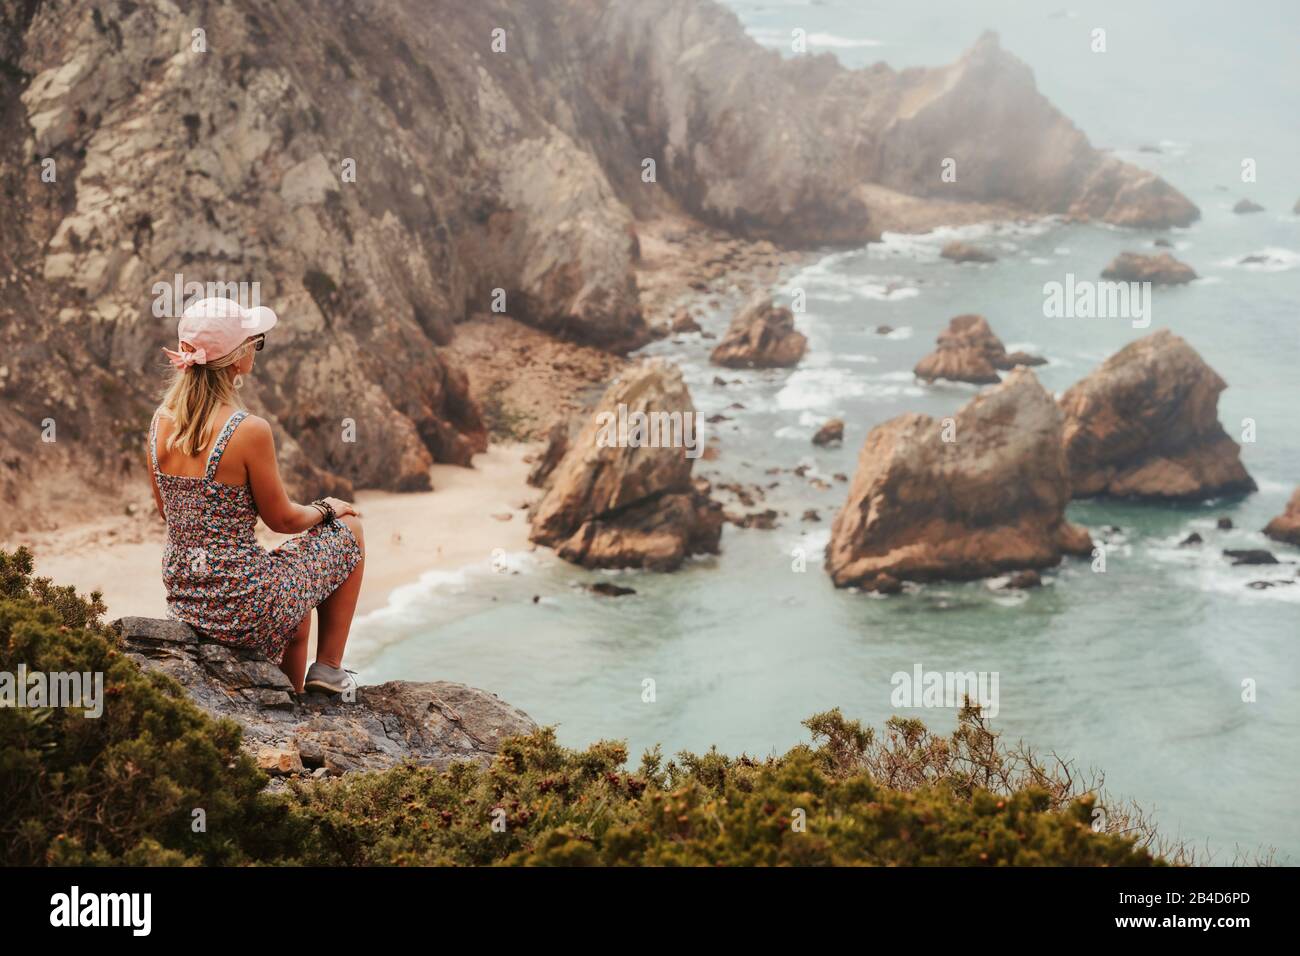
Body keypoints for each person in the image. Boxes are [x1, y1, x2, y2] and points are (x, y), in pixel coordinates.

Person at [146, 296, 364, 694]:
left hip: (186, 596)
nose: (255, 350)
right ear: (236, 358)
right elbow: (283, 521)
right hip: (241, 600)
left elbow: (167, 511)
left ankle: (293, 699)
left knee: (296, 617)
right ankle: (329, 669)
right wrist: (325, 508)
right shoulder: (248, 429)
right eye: (254, 342)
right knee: (350, 527)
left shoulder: (160, 422)